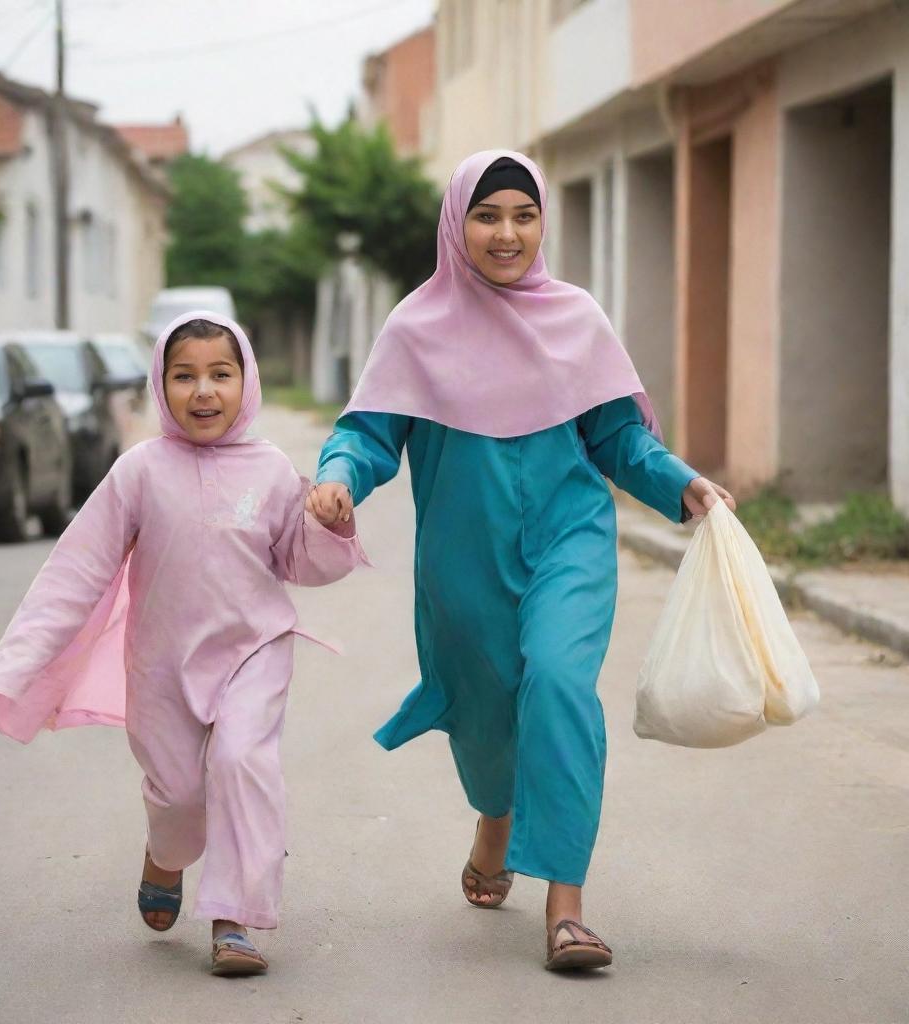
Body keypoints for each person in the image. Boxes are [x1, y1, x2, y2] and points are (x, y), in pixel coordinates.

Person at [306, 151, 735, 971]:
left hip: (569, 538)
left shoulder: (577, 318)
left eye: (524, 215)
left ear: (544, 225)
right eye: (488, 214)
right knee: (487, 707)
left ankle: (565, 906)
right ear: (457, 224)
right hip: (462, 559)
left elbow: (617, 436)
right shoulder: (417, 326)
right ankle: (495, 821)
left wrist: (683, 488)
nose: (508, 233)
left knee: (559, 684)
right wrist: (337, 478)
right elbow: (367, 434)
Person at [0, 312, 367, 976]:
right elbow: (78, 568)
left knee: (242, 763)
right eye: (184, 376)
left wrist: (331, 527)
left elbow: (302, 563)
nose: (204, 392)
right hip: (160, 661)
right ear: (161, 386)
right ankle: (166, 853)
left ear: (248, 381)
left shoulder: (270, 469)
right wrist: (22, 660)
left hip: (254, 651)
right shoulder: (139, 471)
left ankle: (233, 919)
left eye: (221, 374)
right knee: (180, 792)